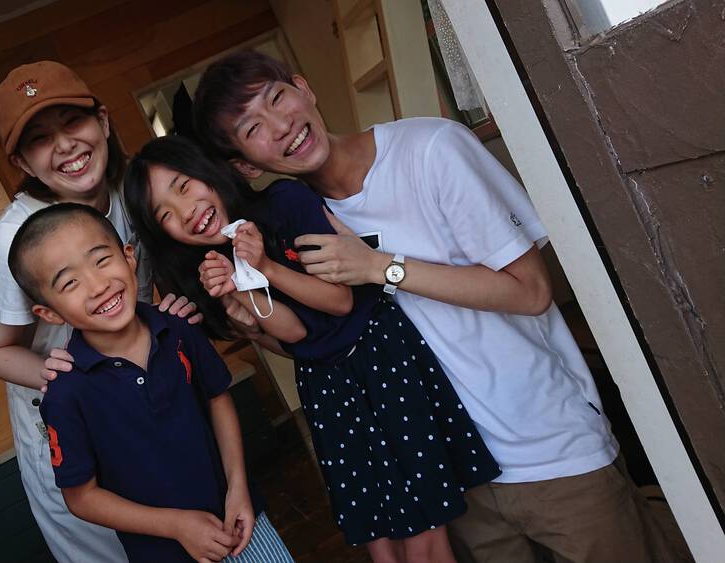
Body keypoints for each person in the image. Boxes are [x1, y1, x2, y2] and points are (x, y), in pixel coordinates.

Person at [190, 50, 679, 563]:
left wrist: (380, 267)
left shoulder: (430, 149)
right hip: (452, 470)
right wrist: (253, 323)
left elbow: (531, 291)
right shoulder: (296, 223)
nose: (281, 125)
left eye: (277, 98)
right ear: (247, 165)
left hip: (550, 448)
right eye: (253, 128)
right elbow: (329, 344)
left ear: (303, 88)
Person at [124, 135, 500, 563]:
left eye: (183, 186)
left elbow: (339, 302)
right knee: (381, 537)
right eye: (165, 214)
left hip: (380, 361)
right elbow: (297, 333)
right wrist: (238, 292)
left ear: (207, 171)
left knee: (423, 535)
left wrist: (264, 267)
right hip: (327, 386)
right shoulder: (212, 267)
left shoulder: (285, 203)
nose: (185, 212)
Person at [0, 61, 201, 562]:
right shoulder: (12, 241)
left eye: (72, 122)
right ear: (21, 161)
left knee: (199, 530)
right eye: (40, 139)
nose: (64, 146)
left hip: (155, 400)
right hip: (79, 427)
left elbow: (152, 284)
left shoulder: (131, 188)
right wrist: (68, 379)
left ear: (102, 120)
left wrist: (175, 312)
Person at [7, 202, 293, 563]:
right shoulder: (65, 392)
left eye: (101, 260)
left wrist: (238, 488)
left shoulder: (179, 326)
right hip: (164, 552)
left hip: (240, 522)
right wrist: (177, 526)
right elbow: (81, 497)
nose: (98, 285)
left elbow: (217, 398)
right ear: (49, 313)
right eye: (70, 283)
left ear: (129, 257)